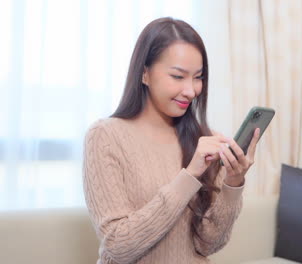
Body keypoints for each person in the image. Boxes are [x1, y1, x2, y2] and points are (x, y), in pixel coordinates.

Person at [82, 17, 260, 264]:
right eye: (178, 76)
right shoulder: (105, 137)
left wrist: (233, 182)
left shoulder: (202, 140)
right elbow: (119, 246)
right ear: (144, 73)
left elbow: (208, 243)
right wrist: (189, 175)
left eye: (198, 77)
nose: (191, 90)